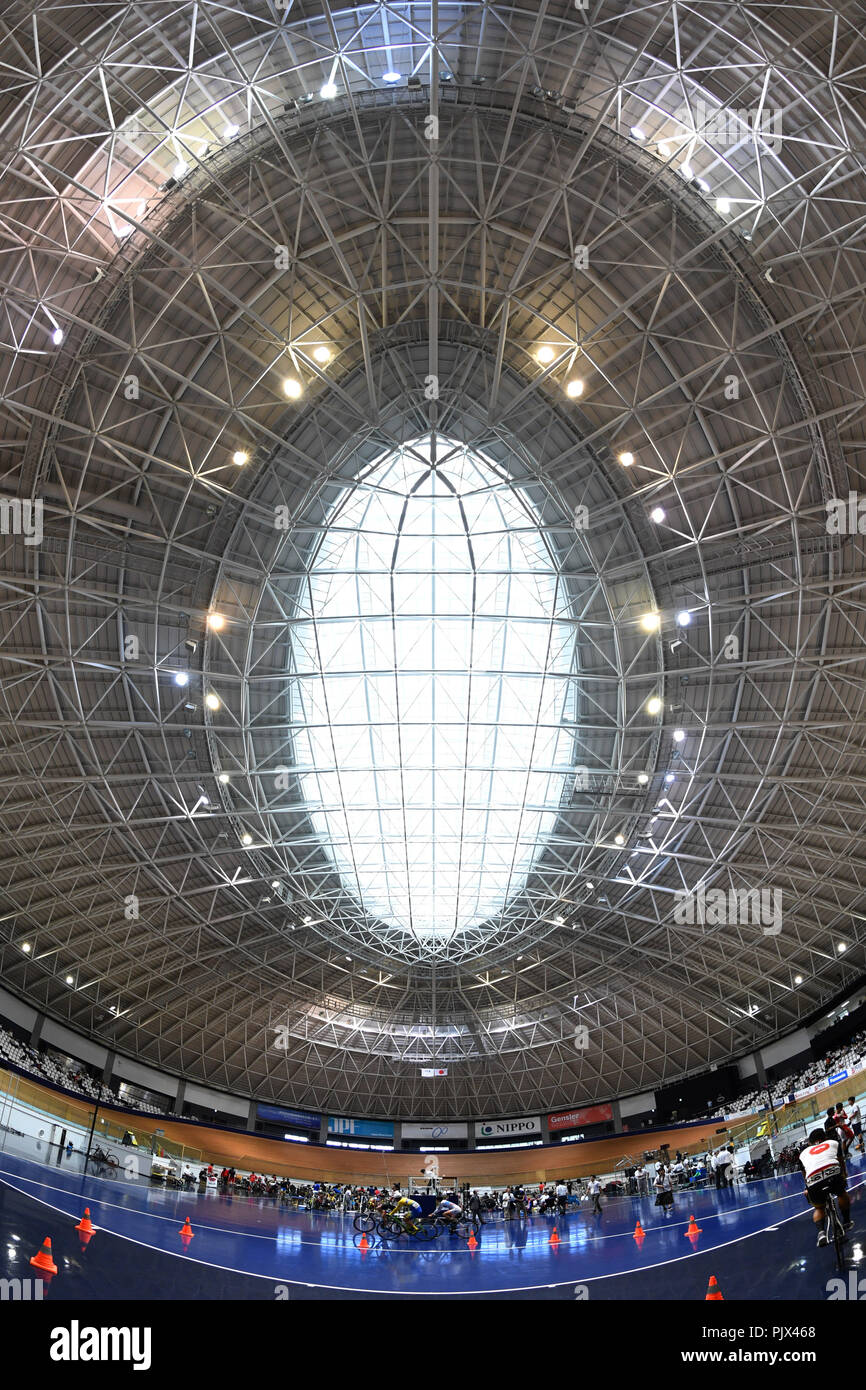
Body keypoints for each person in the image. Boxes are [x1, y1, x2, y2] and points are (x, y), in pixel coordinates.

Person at [798, 1127, 853, 1247]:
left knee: (819, 1208)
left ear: (810, 1143)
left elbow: (805, 1174)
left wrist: (808, 1188)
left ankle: (821, 1232)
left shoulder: (803, 1153)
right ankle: (847, 1221)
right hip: (833, 1174)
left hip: (814, 1180)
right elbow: (840, 1161)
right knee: (842, 1194)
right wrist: (844, 1174)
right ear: (825, 1138)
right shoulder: (833, 1143)